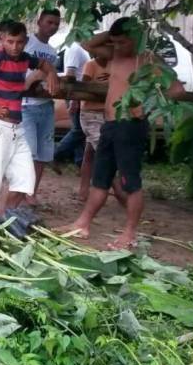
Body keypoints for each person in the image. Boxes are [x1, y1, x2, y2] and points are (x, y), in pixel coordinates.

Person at [60, 17, 184, 249]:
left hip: (131, 126)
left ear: (136, 39)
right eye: (114, 42)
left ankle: (130, 233)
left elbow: (177, 89)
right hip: (109, 125)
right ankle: (82, 224)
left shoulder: (148, 61)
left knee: (130, 183)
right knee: (101, 179)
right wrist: (112, 34)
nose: (116, 47)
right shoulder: (115, 55)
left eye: (123, 42)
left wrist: (150, 101)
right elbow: (87, 44)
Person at [0, 21, 59, 214]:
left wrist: (51, 72)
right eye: (10, 41)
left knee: (26, 178)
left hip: (17, 129)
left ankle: (5, 216)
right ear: (1, 39)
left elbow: (44, 64)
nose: (14, 46)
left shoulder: (25, 58)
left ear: (25, 41)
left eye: (19, 42)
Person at [20, 9, 61, 204]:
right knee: (28, 152)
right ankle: (22, 190)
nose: (52, 27)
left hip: (46, 106)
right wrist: (32, 78)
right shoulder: (26, 43)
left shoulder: (53, 52)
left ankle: (32, 192)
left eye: (56, 23)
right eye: (49, 22)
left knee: (44, 154)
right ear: (39, 22)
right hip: (26, 104)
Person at [76, 50, 124, 203]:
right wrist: (105, 90)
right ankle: (120, 192)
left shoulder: (113, 65)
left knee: (90, 152)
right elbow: (85, 88)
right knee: (105, 153)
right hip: (91, 113)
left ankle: (83, 190)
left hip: (107, 113)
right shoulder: (91, 65)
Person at [54, 40, 91, 166]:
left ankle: (80, 161)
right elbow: (71, 75)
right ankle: (55, 154)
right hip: (76, 94)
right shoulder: (75, 48)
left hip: (79, 94)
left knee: (79, 130)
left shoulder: (81, 48)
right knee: (79, 130)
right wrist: (74, 100)